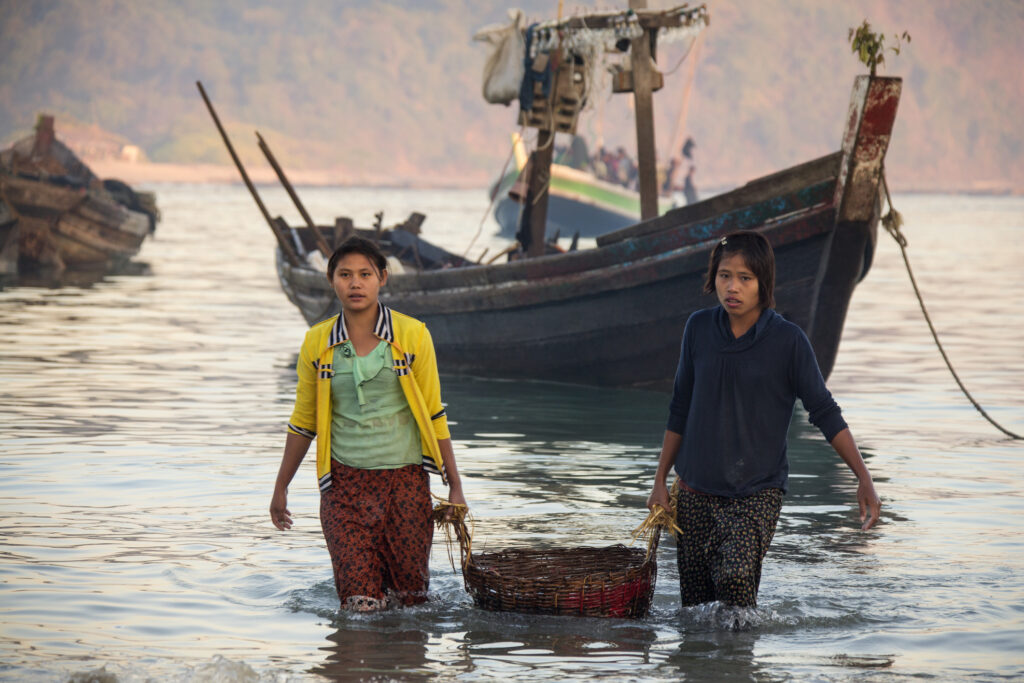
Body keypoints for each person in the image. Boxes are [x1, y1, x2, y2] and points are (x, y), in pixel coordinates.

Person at [646, 231, 880, 611]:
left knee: (736, 583)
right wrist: (660, 481)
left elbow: (824, 411)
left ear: (763, 283)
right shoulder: (698, 329)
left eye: (744, 278)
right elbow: (680, 406)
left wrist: (863, 475)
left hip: (755, 493)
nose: (732, 287)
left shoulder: (789, 342)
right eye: (724, 275)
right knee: (696, 611)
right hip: (693, 492)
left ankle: (741, 667)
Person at [270, 235, 466, 611]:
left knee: (411, 605)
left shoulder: (412, 336)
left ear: (383, 279)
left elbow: (434, 413)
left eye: (364, 274)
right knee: (360, 607)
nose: (355, 283)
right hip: (343, 490)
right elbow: (303, 422)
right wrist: (281, 487)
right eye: (345, 274)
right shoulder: (317, 342)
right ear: (332, 280)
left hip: (406, 486)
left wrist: (454, 485)